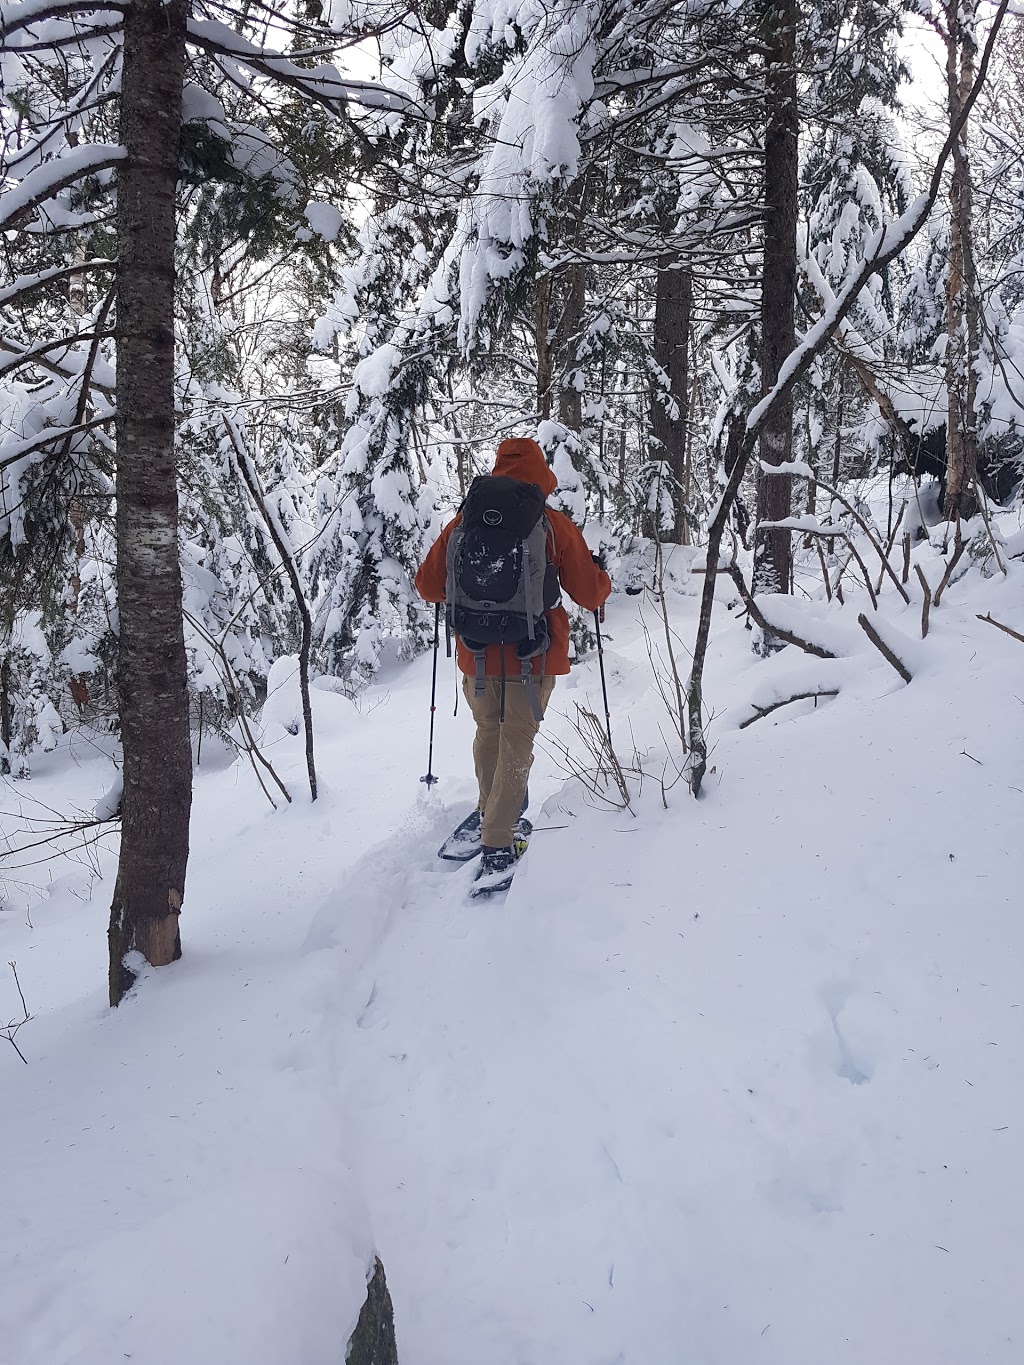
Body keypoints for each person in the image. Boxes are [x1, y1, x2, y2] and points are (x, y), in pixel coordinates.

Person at [415, 436, 611, 887]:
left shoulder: (464, 521)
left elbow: (428, 586)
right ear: (540, 473)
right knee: (518, 738)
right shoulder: (550, 524)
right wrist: (603, 577)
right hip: (532, 654)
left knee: (489, 730)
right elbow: (588, 592)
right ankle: (499, 838)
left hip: (476, 655)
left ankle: (491, 811)